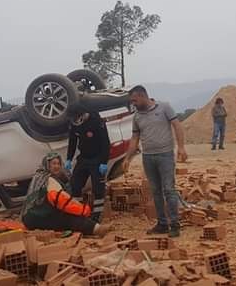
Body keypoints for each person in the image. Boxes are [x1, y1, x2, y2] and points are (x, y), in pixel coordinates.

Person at [122, 85, 188, 238]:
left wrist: (181, 147)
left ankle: (174, 224)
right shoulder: (137, 116)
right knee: (156, 191)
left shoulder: (164, 107)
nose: (134, 104)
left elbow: (177, 126)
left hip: (165, 155)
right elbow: (134, 138)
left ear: (143, 96)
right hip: (148, 157)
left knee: (169, 189)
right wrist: (127, 158)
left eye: (135, 100)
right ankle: (162, 224)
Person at [20, 153, 108, 236]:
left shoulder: (39, 177)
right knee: (70, 218)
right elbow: (62, 200)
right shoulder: (50, 180)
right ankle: (97, 229)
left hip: (29, 218)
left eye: (58, 164)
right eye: (54, 164)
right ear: (47, 165)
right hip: (41, 216)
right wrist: (83, 210)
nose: (57, 166)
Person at [65, 106, 111, 223]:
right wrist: (69, 159)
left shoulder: (97, 121)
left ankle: (96, 216)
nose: (75, 121)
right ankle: (78, 212)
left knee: (98, 189)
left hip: (97, 159)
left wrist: (103, 162)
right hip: (83, 158)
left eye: (77, 118)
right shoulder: (74, 124)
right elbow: (73, 141)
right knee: (75, 185)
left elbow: (106, 142)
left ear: (83, 114)